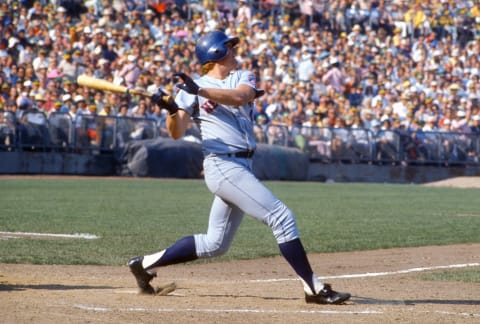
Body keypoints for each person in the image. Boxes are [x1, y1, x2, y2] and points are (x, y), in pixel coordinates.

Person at [127, 30, 351, 305]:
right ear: (215, 53)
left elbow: (241, 97)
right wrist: (171, 108)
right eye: (228, 48)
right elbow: (176, 131)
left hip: (242, 165)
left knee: (215, 244)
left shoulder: (240, 77)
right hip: (222, 165)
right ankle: (313, 288)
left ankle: (143, 264)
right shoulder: (191, 88)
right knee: (281, 217)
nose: (234, 51)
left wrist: (199, 91)